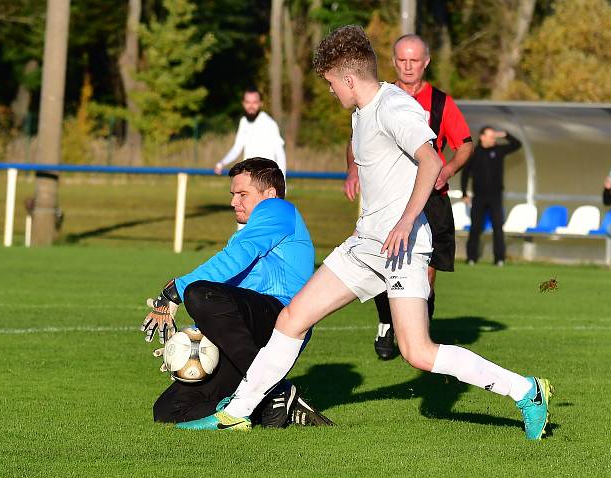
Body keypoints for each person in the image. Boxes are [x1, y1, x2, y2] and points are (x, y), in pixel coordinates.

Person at [177, 25, 553, 440]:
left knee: (418, 352)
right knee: (291, 319)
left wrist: (408, 220)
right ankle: (238, 413)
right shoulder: (361, 112)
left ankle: (527, 391)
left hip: (403, 247)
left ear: (350, 79)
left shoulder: (395, 107)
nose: (332, 92)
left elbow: (430, 162)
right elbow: (366, 153)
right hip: (364, 245)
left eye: (332, 84)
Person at [141, 158, 331, 428]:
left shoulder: (278, 209)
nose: (233, 202)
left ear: (270, 194)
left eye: (242, 194)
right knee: (168, 410)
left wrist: (176, 290)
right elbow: (228, 297)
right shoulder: (250, 232)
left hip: (281, 319)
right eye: (232, 194)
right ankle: (270, 404)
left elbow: (233, 262)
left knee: (197, 293)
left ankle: (276, 390)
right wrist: (191, 343)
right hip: (247, 334)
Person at [344, 34, 473, 360]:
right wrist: (353, 170)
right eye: (402, 60)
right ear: (394, 61)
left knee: (426, 272)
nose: (408, 66)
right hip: (391, 196)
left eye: (414, 60)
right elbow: (355, 140)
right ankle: (387, 322)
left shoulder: (441, 103)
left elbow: (465, 145)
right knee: (382, 260)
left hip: (431, 196)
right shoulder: (377, 98)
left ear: (425, 62)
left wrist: (447, 169)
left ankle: (418, 338)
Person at [460, 126, 522, 265]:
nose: (493, 138)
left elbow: (517, 145)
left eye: (494, 136)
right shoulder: (474, 153)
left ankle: (499, 259)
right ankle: (471, 258)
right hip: (479, 197)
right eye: (490, 136)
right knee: (475, 227)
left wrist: (505, 134)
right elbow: (465, 174)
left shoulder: (499, 150)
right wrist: (464, 193)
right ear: (482, 137)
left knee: (498, 227)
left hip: (495, 197)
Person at [213, 87, 286, 177]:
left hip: (266, 178)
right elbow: (237, 148)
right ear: (243, 103)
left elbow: (280, 154)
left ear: (261, 103)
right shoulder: (244, 121)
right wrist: (222, 162)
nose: (251, 106)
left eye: (254, 102)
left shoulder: (269, 123)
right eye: (248, 102)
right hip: (249, 176)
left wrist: (283, 186)